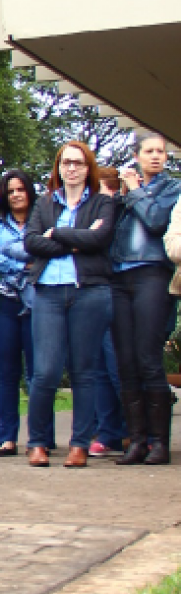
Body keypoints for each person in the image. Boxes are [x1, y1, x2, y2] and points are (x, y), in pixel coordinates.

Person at [24, 141, 115, 468]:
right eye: (66, 163)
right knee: (45, 371)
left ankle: (79, 444)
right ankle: (37, 442)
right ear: (58, 168)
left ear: (88, 167)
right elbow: (32, 242)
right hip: (48, 292)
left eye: (78, 163)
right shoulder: (45, 203)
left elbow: (99, 240)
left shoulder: (103, 203)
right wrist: (75, 240)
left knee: (84, 372)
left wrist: (58, 234)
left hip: (89, 292)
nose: (72, 168)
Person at [110, 133, 179, 465]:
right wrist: (120, 196)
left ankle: (159, 443)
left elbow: (156, 222)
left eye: (161, 152)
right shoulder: (127, 193)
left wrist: (135, 190)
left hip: (153, 274)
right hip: (120, 277)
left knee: (148, 357)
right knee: (126, 361)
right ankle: (135, 441)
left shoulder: (172, 189)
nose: (156, 157)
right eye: (149, 151)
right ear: (136, 155)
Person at [0, 169, 38, 457]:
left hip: (37, 302)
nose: (15, 195)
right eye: (10, 191)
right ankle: (7, 437)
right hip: (2, 301)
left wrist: (12, 251)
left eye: (20, 189)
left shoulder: (42, 220)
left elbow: (44, 251)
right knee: (6, 373)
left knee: (37, 373)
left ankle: (41, 437)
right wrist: (21, 264)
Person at [89, 167, 125, 457]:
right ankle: (109, 432)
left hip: (123, 292)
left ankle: (137, 431)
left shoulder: (121, 215)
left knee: (118, 366)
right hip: (94, 291)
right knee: (99, 367)